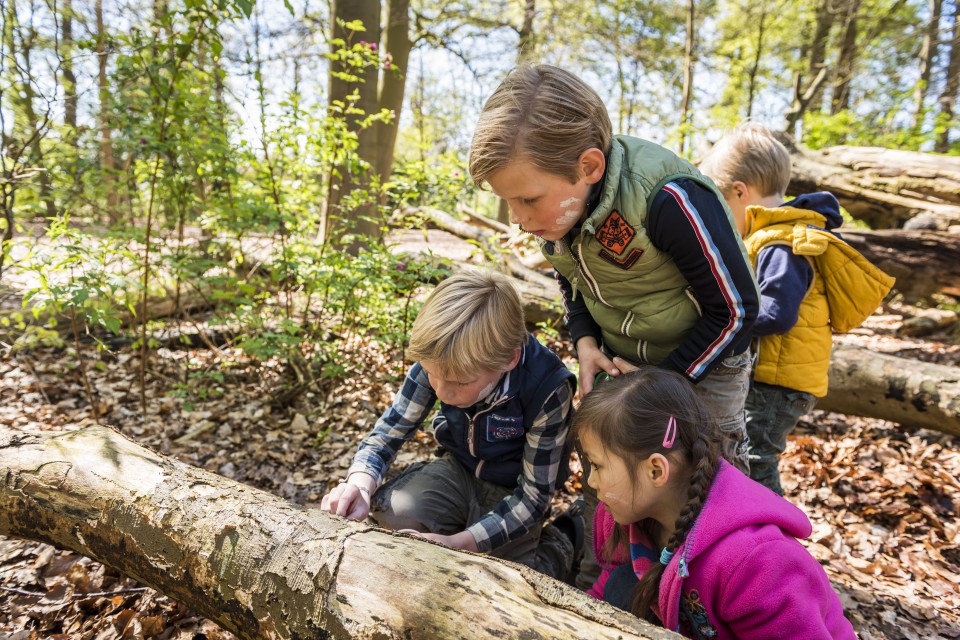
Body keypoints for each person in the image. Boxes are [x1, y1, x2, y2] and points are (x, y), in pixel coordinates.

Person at [469, 64, 759, 588]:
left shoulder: (667, 199)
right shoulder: (560, 212)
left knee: (697, 476)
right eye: (507, 200)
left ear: (589, 165)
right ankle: (600, 583)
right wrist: (582, 340)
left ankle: (697, 587)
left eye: (526, 199)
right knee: (610, 475)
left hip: (704, 360)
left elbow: (736, 310)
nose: (516, 216)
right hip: (622, 361)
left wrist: (661, 386)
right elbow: (572, 283)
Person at [320, 269, 580, 580]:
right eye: (433, 376)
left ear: (508, 360)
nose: (442, 391)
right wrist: (359, 484)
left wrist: (459, 544)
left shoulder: (548, 387)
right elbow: (389, 433)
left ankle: (566, 534)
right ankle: (457, 520)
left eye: (459, 382)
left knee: (511, 578)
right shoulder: (441, 356)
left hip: (513, 490)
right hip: (459, 469)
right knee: (394, 514)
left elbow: (533, 496)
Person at [577, 367, 857, 639]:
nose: (591, 481)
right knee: (623, 585)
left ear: (656, 471)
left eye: (597, 465)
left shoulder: (756, 561)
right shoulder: (630, 515)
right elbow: (605, 598)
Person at [698, 123, 895, 494]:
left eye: (720, 205)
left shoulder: (782, 243)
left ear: (740, 193)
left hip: (780, 382)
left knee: (757, 457)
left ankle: (775, 539)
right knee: (746, 452)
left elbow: (778, 315)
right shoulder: (775, 234)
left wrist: (727, 312)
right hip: (776, 374)